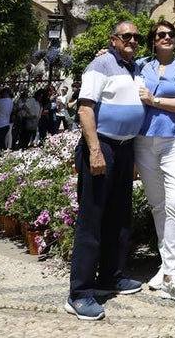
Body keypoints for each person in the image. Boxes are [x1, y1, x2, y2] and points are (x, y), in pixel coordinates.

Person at [65, 22, 145, 321]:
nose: (132, 40)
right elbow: (85, 109)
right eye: (126, 36)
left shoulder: (136, 68)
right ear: (114, 40)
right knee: (92, 220)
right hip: (103, 147)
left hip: (125, 149)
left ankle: (110, 277)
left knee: (118, 216)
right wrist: (95, 151)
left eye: (136, 36)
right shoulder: (99, 65)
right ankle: (79, 293)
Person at [135, 20, 175, 304]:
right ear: (153, 39)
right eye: (161, 34)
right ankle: (166, 266)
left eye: (171, 34)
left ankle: (172, 277)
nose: (167, 37)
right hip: (144, 140)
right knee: (158, 205)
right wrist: (105, 55)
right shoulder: (140, 65)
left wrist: (154, 101)